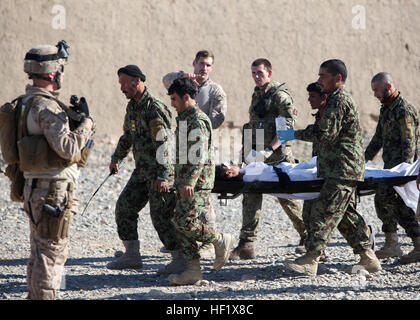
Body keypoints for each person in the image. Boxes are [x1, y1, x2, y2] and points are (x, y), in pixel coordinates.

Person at [277, 59, 381, 276]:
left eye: (323, 76)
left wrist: (294, 134)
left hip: (343, 168)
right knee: (344, 216)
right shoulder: (334, 99)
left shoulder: (338, 101)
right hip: (338, 168)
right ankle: (369, 258)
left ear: (338, 78)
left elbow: (324, 134)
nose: (319, 80)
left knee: (322, 211)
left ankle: (311, 258)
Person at [19, 41, 95, 299]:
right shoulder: (47, 106)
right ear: (52, 73)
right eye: (60, 70)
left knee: (39, 253)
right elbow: (67, 148)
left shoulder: (25, 102)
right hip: (53, 192)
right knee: (51, 256)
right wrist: (86, 124)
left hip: (36, 188)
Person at [107, 65, 182, 272]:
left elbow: (165, 144)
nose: (122, 88)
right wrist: (117, 159)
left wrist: (164, 175)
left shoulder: (154, 108)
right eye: (120, 84)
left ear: (137, 81)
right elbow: (127, 136)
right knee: (124, 207)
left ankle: (180, 259)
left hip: (160, 173)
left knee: (161, 217)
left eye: (124, 83)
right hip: (142, 172)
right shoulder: (132, 107)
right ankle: (131, 255)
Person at [230, 58, 306, 260]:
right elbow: (253, 125)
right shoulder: (257, 95)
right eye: (253, 73)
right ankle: (247, 244)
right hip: (257, 157)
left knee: (287, 198)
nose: (256, 76)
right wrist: (246, 157)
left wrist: (269, 151)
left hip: (278, 158)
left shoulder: (280, 97)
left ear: (269, 74)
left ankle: (309, 238)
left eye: (260, 73)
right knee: (251, 194)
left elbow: (287, 129)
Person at [166, 78, 234, 285]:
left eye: (175, 99)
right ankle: (193, 270)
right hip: (185, 180)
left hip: (195, 182)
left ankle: (220, 240)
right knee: (180, 223)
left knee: (183, 221)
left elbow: (199, 155)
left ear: (187, 97)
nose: (172, 103)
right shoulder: (185, 117)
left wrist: (189, 181)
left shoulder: (196, 119)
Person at [162, 50, 227, 254]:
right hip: (183, 148)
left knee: (202, 201)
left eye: (208, 65)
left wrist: (196, 115)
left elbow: (218, 118)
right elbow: (166, 80)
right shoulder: (182, 82)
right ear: (194, 63)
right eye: (201, 64)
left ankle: (210, 241)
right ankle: (188, 251)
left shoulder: (215, 90)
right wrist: (183, 78)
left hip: (200, 145)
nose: (203, 69)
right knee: (182, 206)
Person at [365, 72, 420, 264]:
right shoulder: (387, 109)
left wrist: (404, 173)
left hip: (402, 171)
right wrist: (362, 160)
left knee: (392, 203)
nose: (375, 94)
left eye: (377, 90)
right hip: (390, 170)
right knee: (389, 203)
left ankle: (401, 244)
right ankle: (395, 244)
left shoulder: (403, 110)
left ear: (388, 87)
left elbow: (409, 144)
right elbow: (378, 138)